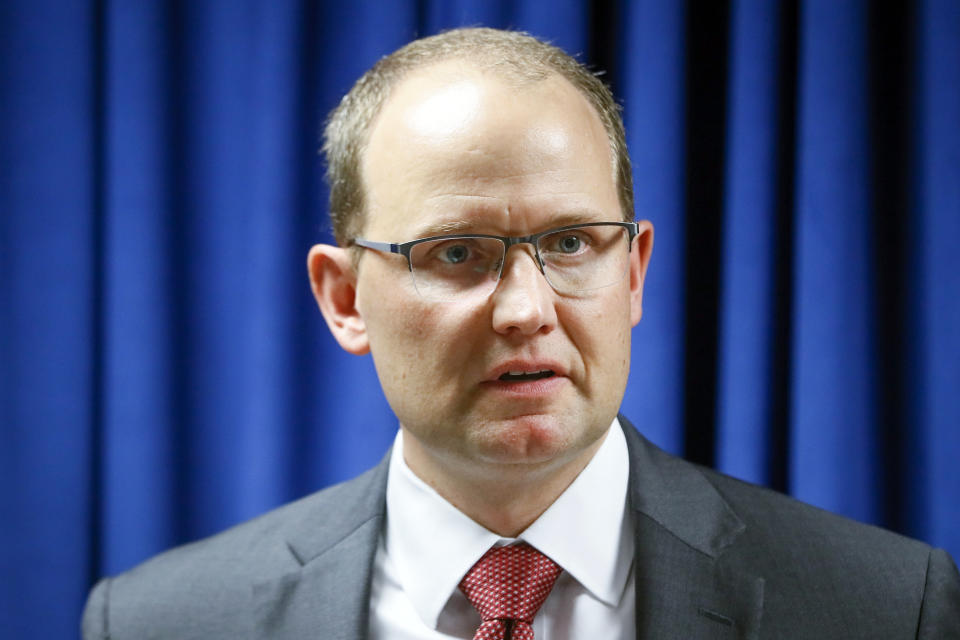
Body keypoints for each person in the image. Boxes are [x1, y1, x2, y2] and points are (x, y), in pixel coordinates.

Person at [82, 28, 959, 639]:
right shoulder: (163, 622)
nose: (526, 309)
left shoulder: (888, 608)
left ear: (633, 271)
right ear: (344, 296)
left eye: (571, 243)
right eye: (458, 252)